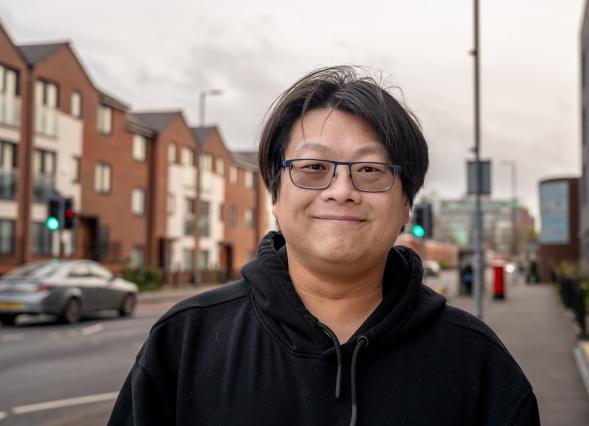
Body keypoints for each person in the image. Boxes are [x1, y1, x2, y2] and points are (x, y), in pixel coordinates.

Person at [109, 66, 540, 425]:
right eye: (313, 167)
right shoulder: (186, 342)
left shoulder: (476, 362)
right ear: (276, 195)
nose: (341, 190)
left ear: (406, 204)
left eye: (370, 170)